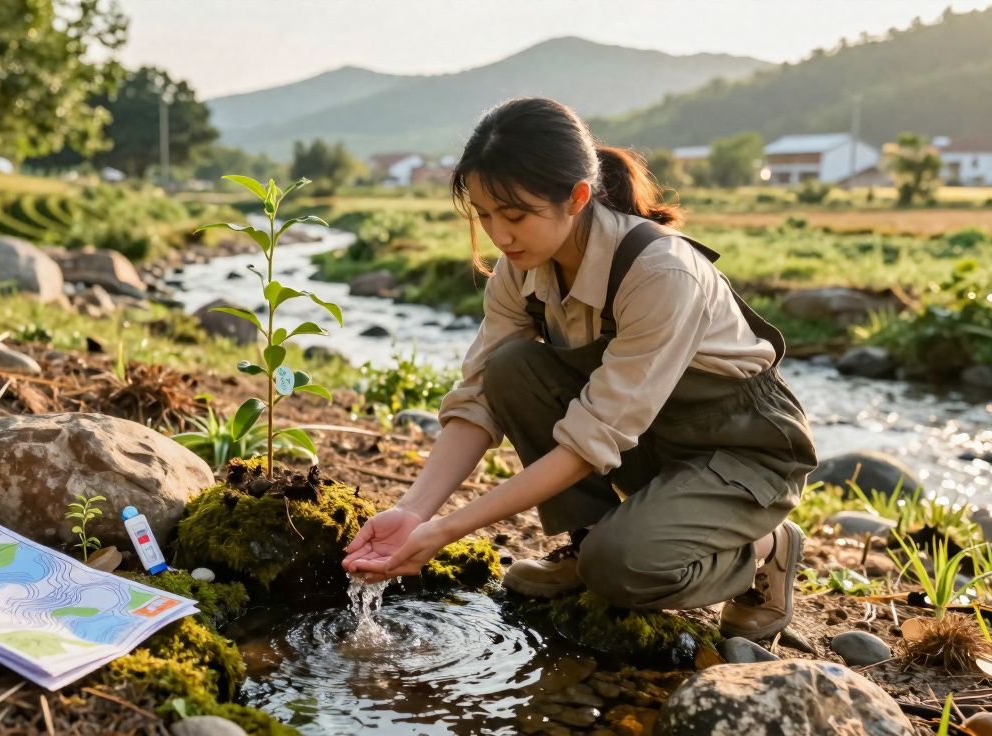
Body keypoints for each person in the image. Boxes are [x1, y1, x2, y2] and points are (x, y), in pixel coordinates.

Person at [342, 97, 818, 640]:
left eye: (516, 215)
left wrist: (444, 532)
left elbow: (588, 440)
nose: (500, 235)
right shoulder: (519, 270)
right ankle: (588, 538)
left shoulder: (661, 273)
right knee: (510, 367)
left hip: (738, 450)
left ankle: (763, 548)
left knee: (620, 570)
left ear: (577, 197)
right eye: (485, 215)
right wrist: (413, 512)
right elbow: (477, 398)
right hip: (645, 438)